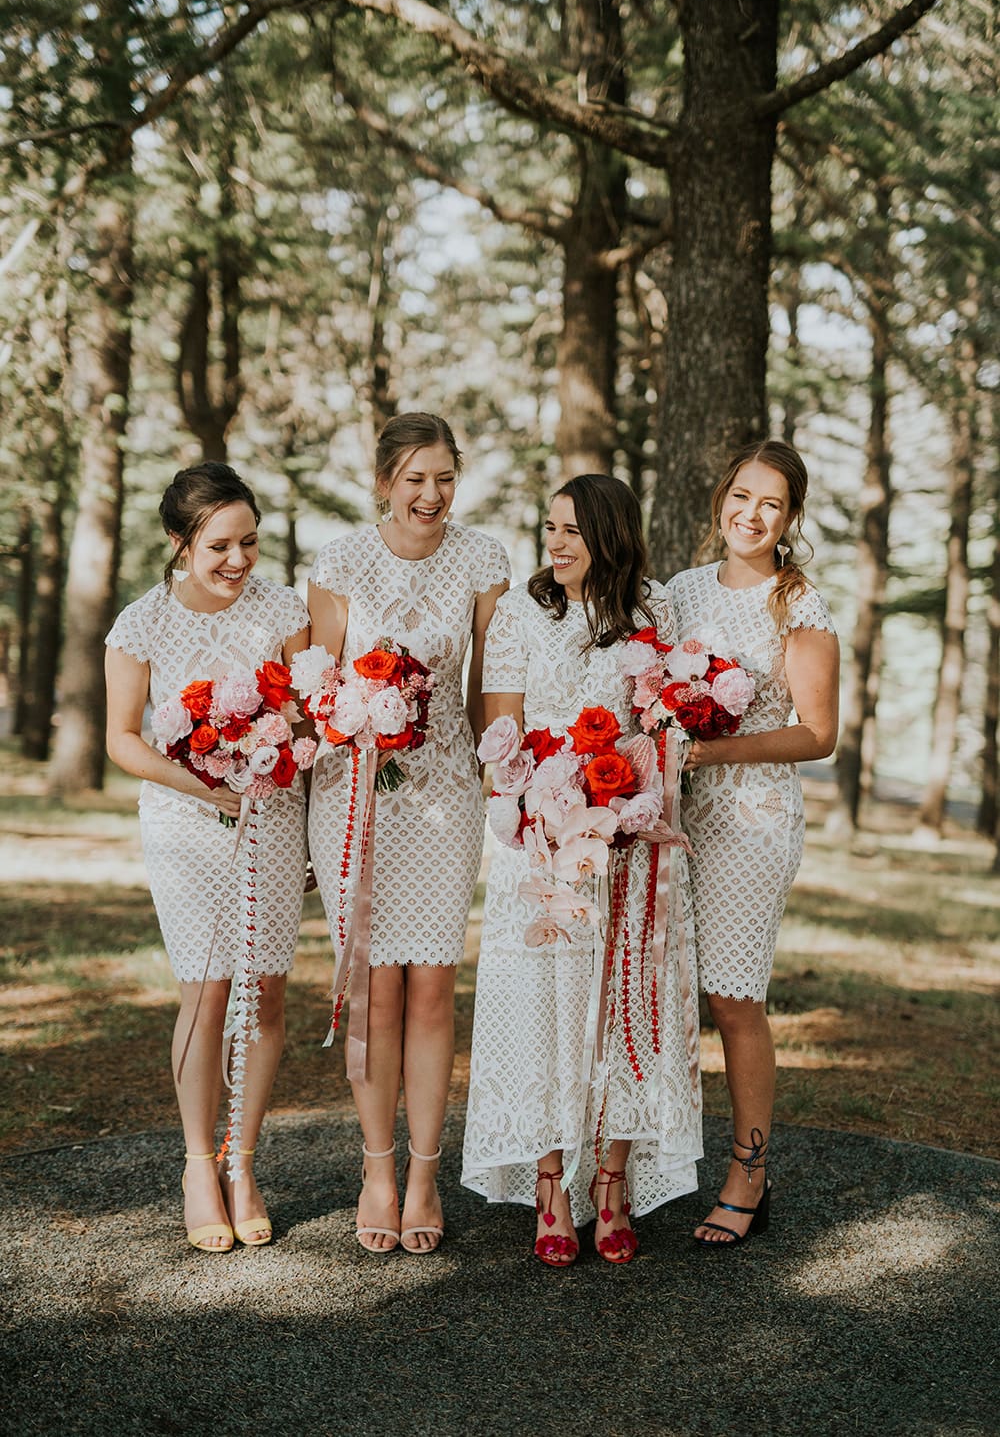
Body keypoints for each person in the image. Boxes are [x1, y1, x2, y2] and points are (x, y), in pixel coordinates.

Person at [462, 474, 702, 1266]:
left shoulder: (655, 609)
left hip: (630, 842)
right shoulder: (521, 611)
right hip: (543, 845)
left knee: (624, 1005)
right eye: (550, 528)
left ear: (610, 535)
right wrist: (540, 807)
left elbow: (664, 722)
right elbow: (502, 736)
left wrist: (632, 796)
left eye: (572, 530)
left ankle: (611, 1180)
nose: (556, 544)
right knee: (543, 1011)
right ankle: (549, 1184)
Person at [308, 412, 510, 1254]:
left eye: (445, 478)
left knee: (430, 989)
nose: (432, 495)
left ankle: (426, 1175)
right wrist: (353, 716)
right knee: (374, 990)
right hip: (353, 793)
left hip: (446, 794)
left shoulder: (484, 559)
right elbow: (318, 687)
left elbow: (491, 690)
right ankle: (378, 1171)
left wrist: (505, 785)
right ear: (385, 482)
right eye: (415, 479)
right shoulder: (340, 560)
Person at [105, 462, 310, 1253]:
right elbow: (124, 739)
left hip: (272, 817)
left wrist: (277, 743)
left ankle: (242, 1162)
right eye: (220, 545)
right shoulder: (141, 624)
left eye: (248, 542)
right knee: (207, 992)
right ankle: (198, 1164)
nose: (238, 559)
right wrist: (198, 782)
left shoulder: (283, 610)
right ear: (179, 542)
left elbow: (304, 714)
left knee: (266, 992)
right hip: (184, 821)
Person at [663, 440, 839, 1246]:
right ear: (721, 498)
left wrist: (715, 750)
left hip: (752, 817)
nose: (752, 513)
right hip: (674, 811)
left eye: (772, 503)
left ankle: (749, 1172)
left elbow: (818, 733)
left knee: (734, 998)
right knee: (665, 990)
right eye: (742, 495)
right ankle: (654, 1160)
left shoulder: (798, 606)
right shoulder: (680, 592)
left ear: (791, 516)